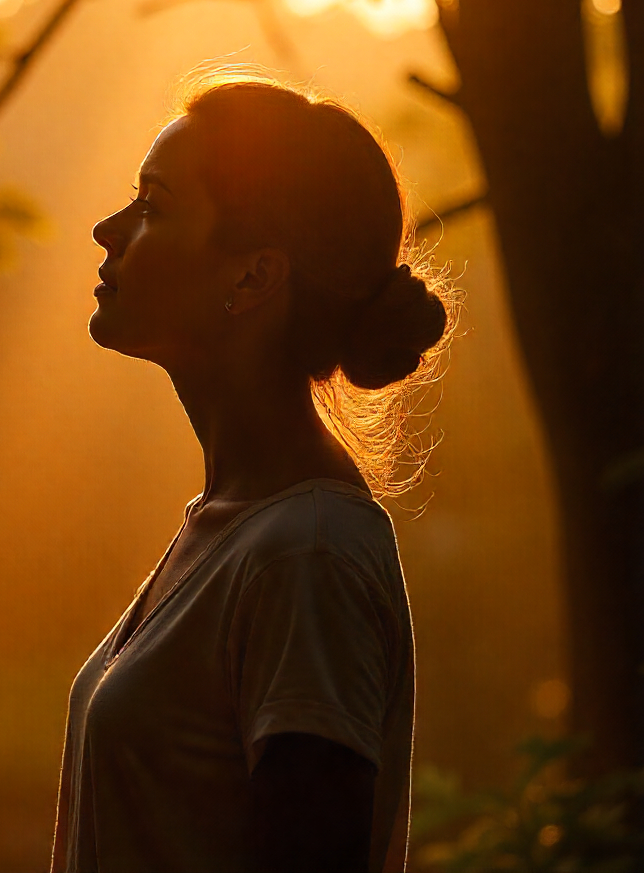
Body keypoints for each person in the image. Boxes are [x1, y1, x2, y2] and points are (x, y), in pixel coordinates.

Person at [50, 69, 456, 873]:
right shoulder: (233, 522)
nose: (108, 228)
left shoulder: (309, 551)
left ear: (253, 276)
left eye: (154, 206)